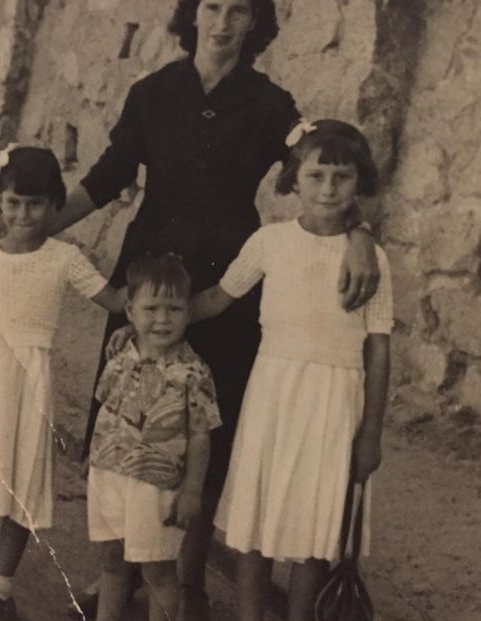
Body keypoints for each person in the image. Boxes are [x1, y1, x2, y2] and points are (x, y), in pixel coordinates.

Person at [56, 1, 380, 617]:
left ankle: (187, 576)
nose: (223, 21)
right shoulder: (151, 92)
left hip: (229, 284)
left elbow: (324, 158)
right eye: (212, 6)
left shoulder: (272, 104)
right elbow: (106, 177)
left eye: (239, 10)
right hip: (150, 281)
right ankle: (121, 568)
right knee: (128, 418)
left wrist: (358, 232)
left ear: (256, 23)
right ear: (192, 14)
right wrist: (37, 231)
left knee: (209, 428)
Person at [190, 119, 392, 621]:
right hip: (274, 394)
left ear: (358, 182)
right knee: (257, 522)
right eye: (316, 175)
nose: (328, 189)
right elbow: (218, 298)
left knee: (316, 530)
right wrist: (155, 312)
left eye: (341, 177)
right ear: (293, 180)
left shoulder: (372, 259)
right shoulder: (270, 242)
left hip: (335, 401)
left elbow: (379, 350)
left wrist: (371, 432)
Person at [0, 147, 125, 621]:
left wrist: (161, 288)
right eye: (13, 203)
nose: (24, 215)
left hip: (30, 383)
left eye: (36, 204)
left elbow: (115, 300)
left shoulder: (64, 258)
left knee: (20, 487)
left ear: (56, 204)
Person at [87, 253, 222, 621]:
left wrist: (192, 490)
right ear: (130, 311)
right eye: (152, 308)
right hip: (109, 476)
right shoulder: (118, 356)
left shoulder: (193, 372)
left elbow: (199, 436)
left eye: (174, 309)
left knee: (158, 571)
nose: (162, 319)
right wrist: (94, 465)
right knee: (112, 563)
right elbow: (106, 413)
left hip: (158, 486)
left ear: (188, 313)